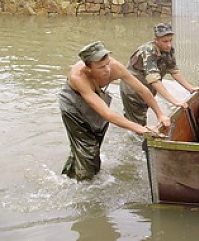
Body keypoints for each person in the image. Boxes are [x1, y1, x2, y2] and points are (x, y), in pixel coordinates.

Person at [59, 41, 170, 181]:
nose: (107, 70)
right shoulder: (79, 77)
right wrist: (142, 129)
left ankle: (71, 175)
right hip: (73, 105)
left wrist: (160, 114)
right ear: (88, 69)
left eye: (107, 63)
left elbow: (142, 90)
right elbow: (107, 114)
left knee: (93, 143)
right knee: (88, 150)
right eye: (100, 67)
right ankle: (83, 186)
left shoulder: (115, 67)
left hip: (97, 97)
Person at [120, 22, 198, 126]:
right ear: (156, 40)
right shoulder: (148, 51)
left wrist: (190, 88)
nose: (169, 44)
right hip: (133, 90)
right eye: (165, 41)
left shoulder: (168, 50)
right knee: (138, 124)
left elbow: (174, 71)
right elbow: (154, 80)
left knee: (140, 115)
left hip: (147, 88)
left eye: (170, 40)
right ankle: (132, 138)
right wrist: (174, 101)